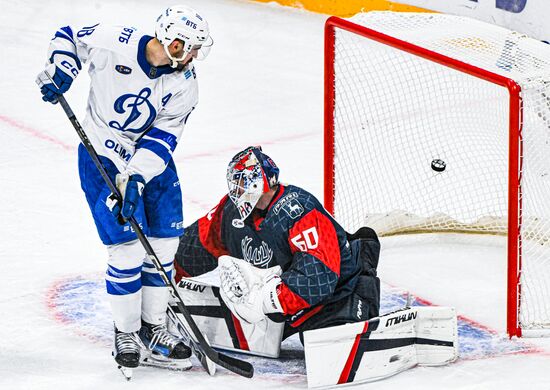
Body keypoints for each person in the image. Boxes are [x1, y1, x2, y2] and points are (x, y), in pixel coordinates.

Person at [35, 5, 213, 371]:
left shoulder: (185, 83)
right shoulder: (116, 40)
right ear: (173, 42)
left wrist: (135, 179)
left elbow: (163, 139)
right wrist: (63, 70)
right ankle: (127, 331)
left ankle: (153, 328)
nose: (194, 56)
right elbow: (69, 34)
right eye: (190, 47)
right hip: (103, 151)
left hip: (148, 159)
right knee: (128, 248)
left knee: (164, 242)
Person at [174, 146, 381, 341]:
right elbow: (201, 242)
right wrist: (163, 270)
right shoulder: (231, 211)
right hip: (283, 303)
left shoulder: (300, 210)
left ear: (257, 183)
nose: (235, 191)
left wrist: (267, 301)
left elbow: (317, 278)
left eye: (240, 184)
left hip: (336, 295)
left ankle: (363, 274)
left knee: (324, 340)